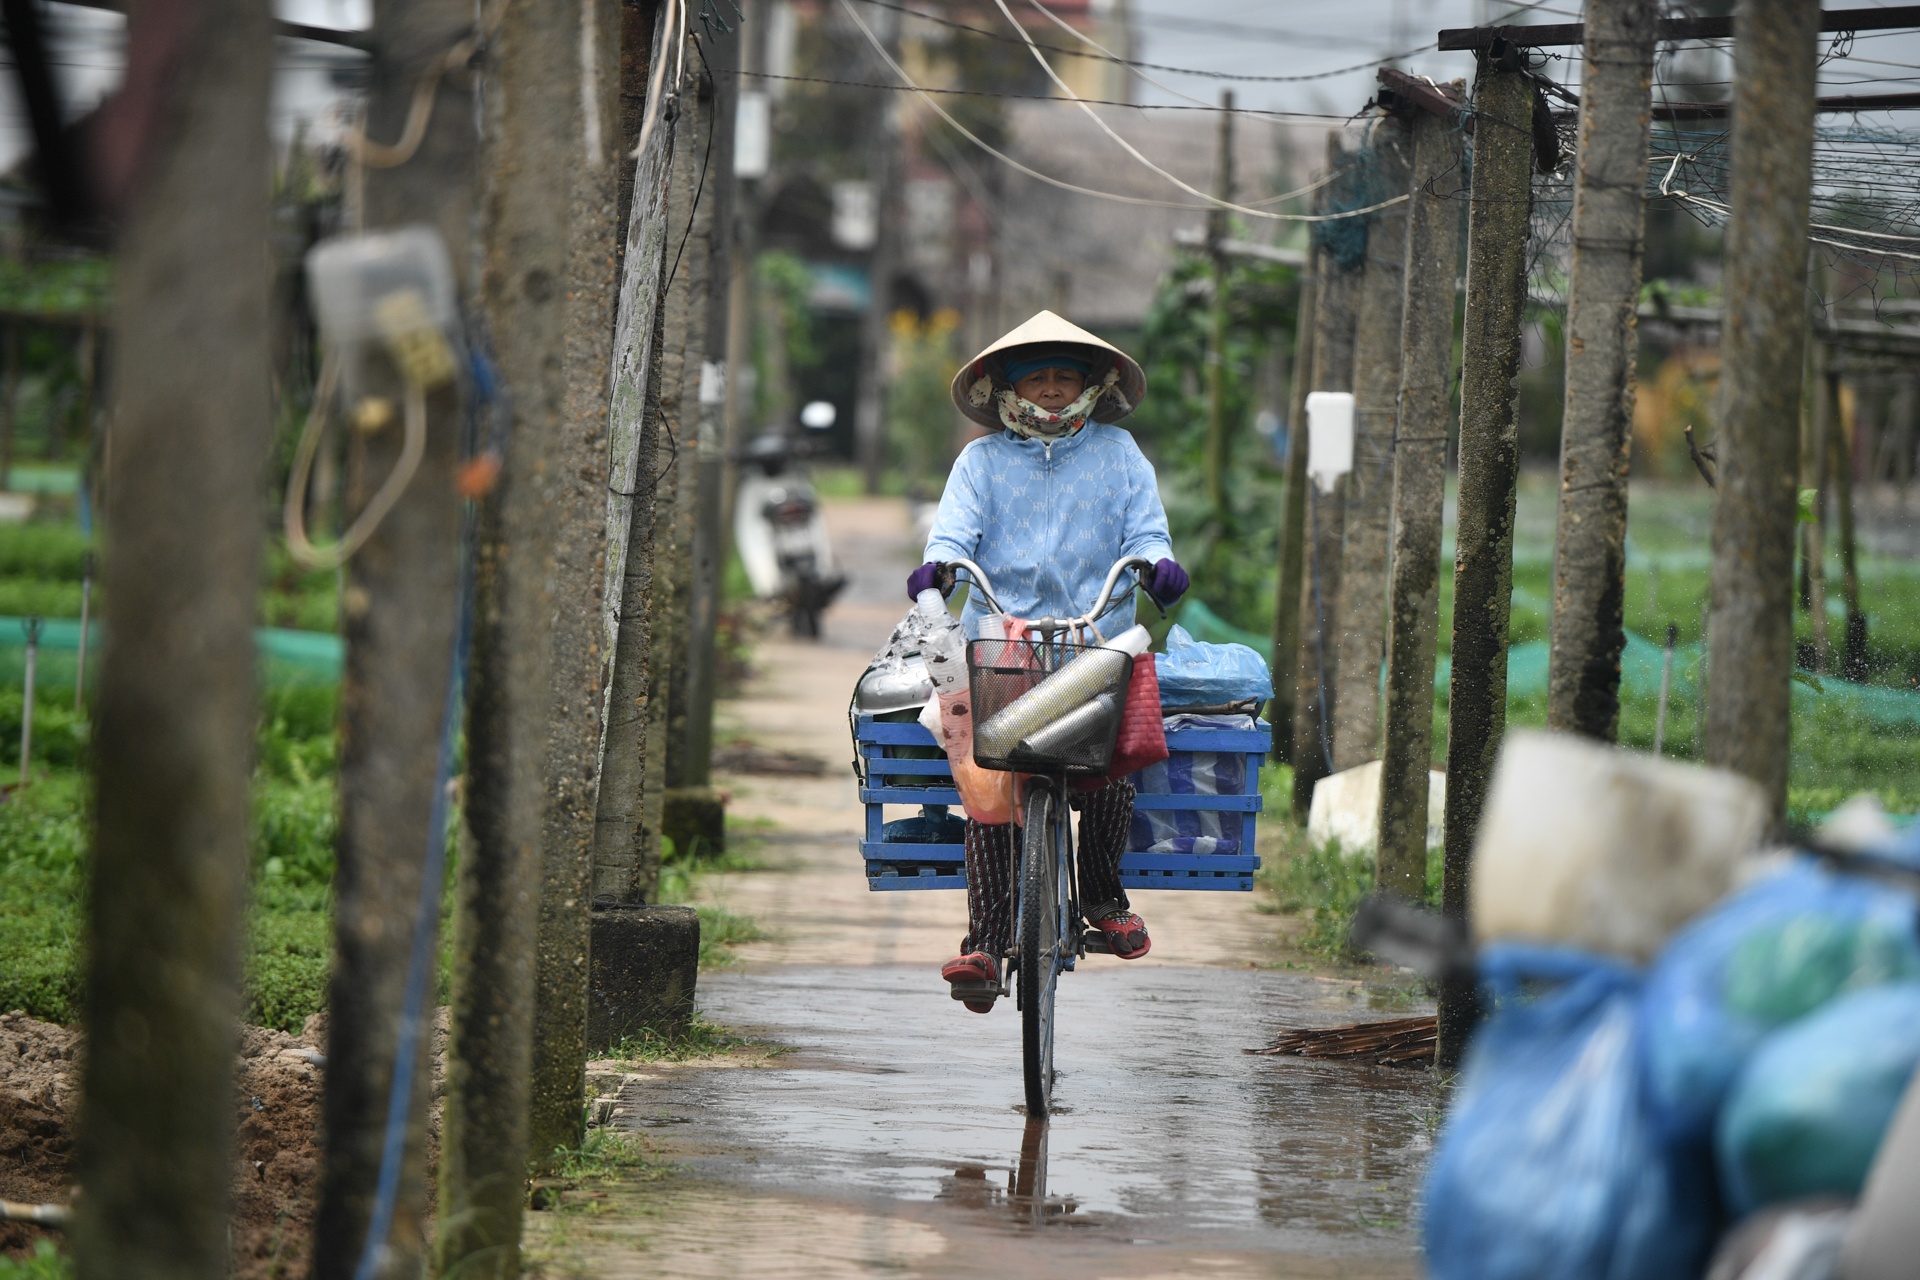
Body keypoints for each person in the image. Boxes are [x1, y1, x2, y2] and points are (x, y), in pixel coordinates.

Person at [909, 311, 1188, 1012]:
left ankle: (1102, 896)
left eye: (1067, 375)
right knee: (987, 781)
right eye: (1039, 376)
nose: (1055, 389)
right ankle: (984, 939)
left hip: (1097, 638)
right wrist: (937, 568)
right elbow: (951, 535)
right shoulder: (980, 462)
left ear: (1093, 385)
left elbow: (1147, 528)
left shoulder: (1121, 455)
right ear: (1008, 386)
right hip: (998, 645)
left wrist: (1159, 562)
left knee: (1113, 762)